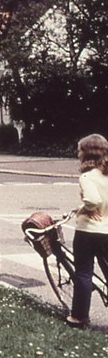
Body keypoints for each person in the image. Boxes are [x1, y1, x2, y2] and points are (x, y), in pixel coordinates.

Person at [66, 134, 108, 328]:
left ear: (87, 153)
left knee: (83, 273)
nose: (78, 153)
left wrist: (84, 209)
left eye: (79, 150)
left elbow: (92, 200)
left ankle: (79, 317)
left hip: (88, 232)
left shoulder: (87, 177)